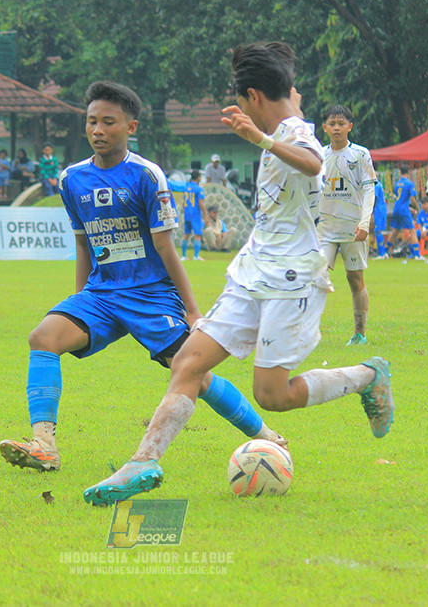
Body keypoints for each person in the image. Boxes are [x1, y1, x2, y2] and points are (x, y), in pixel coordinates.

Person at [84, 42, 393, 506]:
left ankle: (367, 376)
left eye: (242, 100)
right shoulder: (287, 124)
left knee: (272, 395)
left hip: (292, 279)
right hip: (251, 271)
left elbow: (313, 162)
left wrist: (261, 139)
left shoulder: (293, 132)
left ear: (253, 96)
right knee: (188, 362)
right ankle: (143, 462)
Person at [0, 80, 287, 474]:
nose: (98, 130)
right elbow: (83, 244)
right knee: (43, 338)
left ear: (130, 127)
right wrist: (81, 298)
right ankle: (44, 445)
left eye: (109, 122)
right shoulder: (71, 180)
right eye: (92, 122)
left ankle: (268, 437)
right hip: (101, 295)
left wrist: (191, 311)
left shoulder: (147, 176)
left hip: (151, 296)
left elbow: (166, 248)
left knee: (194, 373)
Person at [316, 104, 377, 346]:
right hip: (325, 228)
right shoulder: (318, 155)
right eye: (332, 124)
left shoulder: (360, 155)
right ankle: (306, 332)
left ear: (350, 126)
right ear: (324, 127)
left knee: (355, 279)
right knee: (315, 274)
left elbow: (369, 190)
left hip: (353, 229)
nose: (337, 128)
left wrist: (364, 223)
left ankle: (359, 333)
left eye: (341, 124)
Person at [389, 166, 419, 257]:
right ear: (408, 172)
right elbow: (412, 199)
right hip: (404, 210)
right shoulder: (409, 183)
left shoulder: (397, 184)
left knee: (395, 231)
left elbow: (399, 198)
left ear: (400, 173)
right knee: (412, 230)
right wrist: (418, 208)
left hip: (396, 209)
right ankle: (417, 254)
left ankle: (384, 252)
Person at [180, 169, 209, 261]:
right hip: (195, 214)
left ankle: (183, 256)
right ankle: (196, 256)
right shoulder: (199, 189)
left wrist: (184, 210)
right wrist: (206, 215)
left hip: (187, 213)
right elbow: (200, 203)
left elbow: (184, 201)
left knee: (187, 233)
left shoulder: (186, 187)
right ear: (199, 177)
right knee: (198, 234)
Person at [372, 179, 388, 259]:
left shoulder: (376, 186)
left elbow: (375, 198)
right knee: (378, 231)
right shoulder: (380, 184)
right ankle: (383, 253)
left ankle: (381, 254)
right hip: (382, 209)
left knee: (377, 231)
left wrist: (371, 211)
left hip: (378, 210)